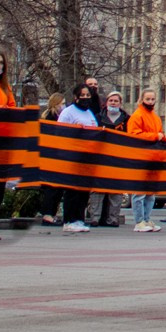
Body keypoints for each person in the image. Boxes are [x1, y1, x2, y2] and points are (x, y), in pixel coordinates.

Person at [55, 83, 102, 232]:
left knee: (83, 191)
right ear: (76, 97)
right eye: (82, 95)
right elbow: (60, 133)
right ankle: (69, 220)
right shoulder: (68, 112)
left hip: (87, 158)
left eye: (88, 95)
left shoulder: (89, 113)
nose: (85, 98)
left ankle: (79, 219)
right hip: (72, 157)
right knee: (72, 191)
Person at [87, 91, 128, 228]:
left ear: (120, 103)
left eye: (116, 101)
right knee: (97, 189)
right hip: (100, 158)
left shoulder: (126, 119)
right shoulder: (98, 118)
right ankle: (95, 218)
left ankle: (113, 218)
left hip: (118, 159)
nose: (113, 103)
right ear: (106, 102)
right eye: (111, 100)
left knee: (115, 190)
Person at [127, 90, 165, 230]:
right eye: (147, 99)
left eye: (152, 99)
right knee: (139, 192)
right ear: (141, 99)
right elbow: (134, 136)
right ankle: (139, 221)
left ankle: (147, 219)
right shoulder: (137, 116)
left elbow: (160, 134)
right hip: (140, 157)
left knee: (150, 192)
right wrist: (155, 136)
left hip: (153, 157)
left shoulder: (155, 117)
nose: (150, 102)